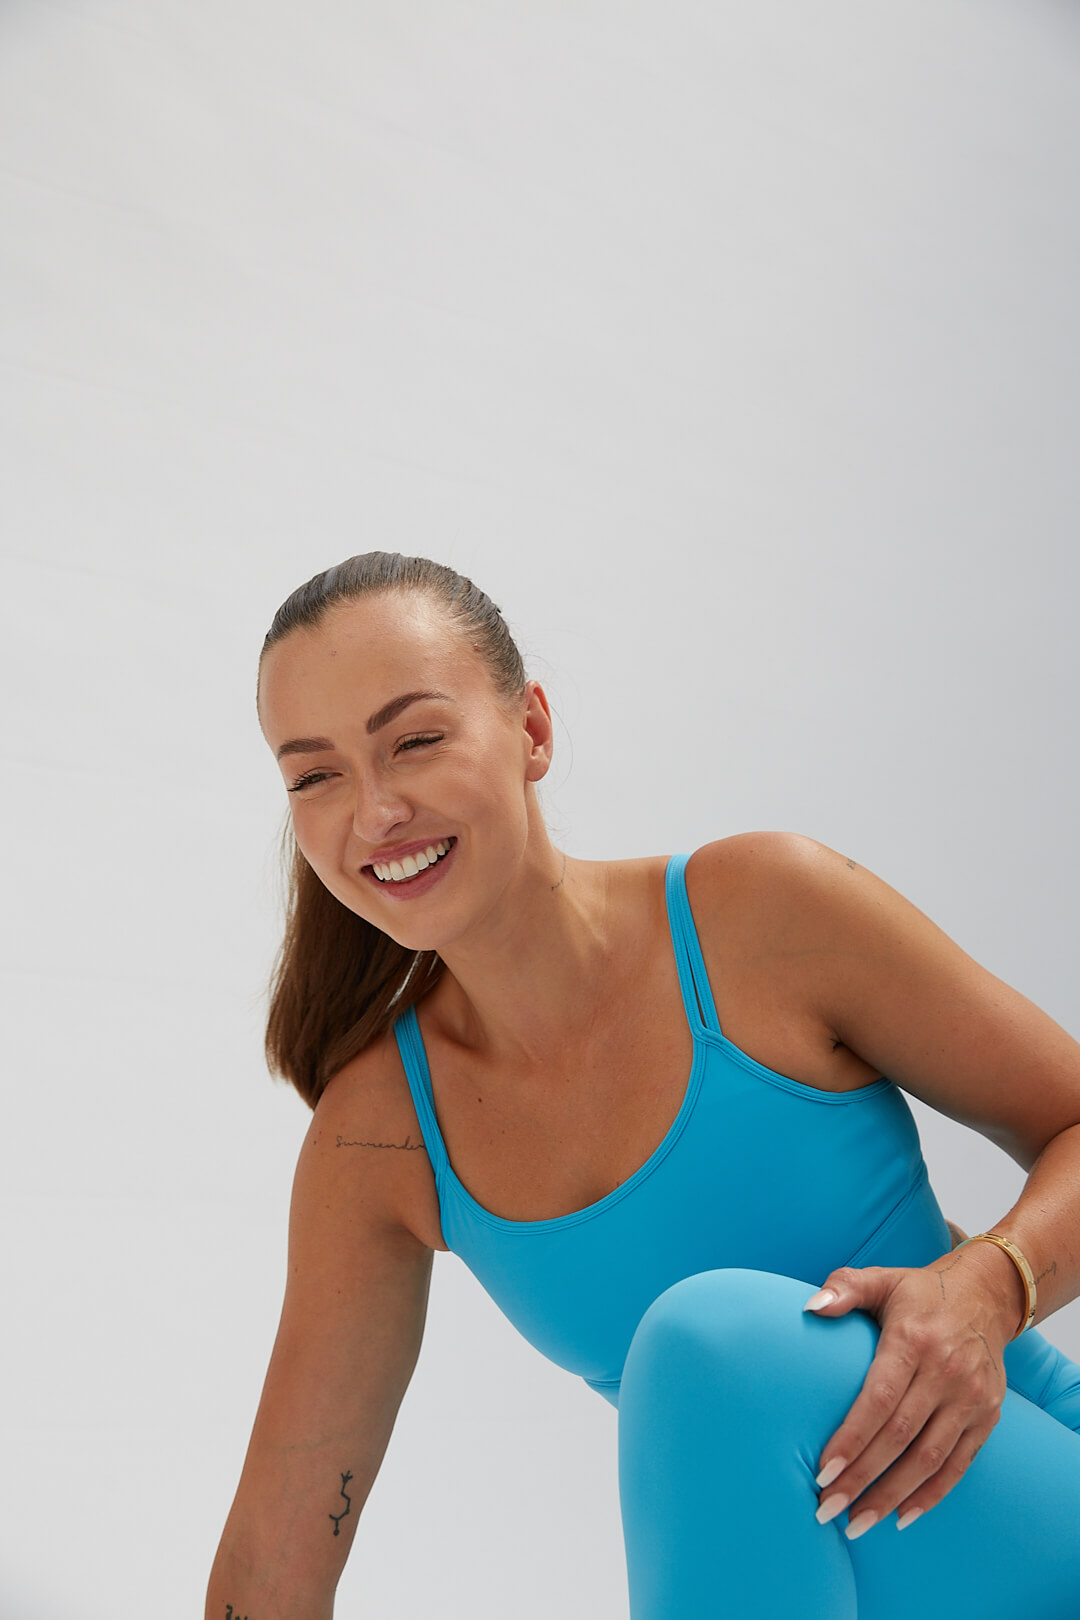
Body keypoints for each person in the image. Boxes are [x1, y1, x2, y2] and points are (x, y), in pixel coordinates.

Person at [205, 551, 1080, 1619]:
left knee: (708, 1340)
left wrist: (989, 1289)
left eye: (417, 741)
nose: (376, 810)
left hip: (1038, 1510)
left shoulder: (761, 920)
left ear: (531, 729)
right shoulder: (378, 1142)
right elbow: (274, 1562)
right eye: (316, 775)